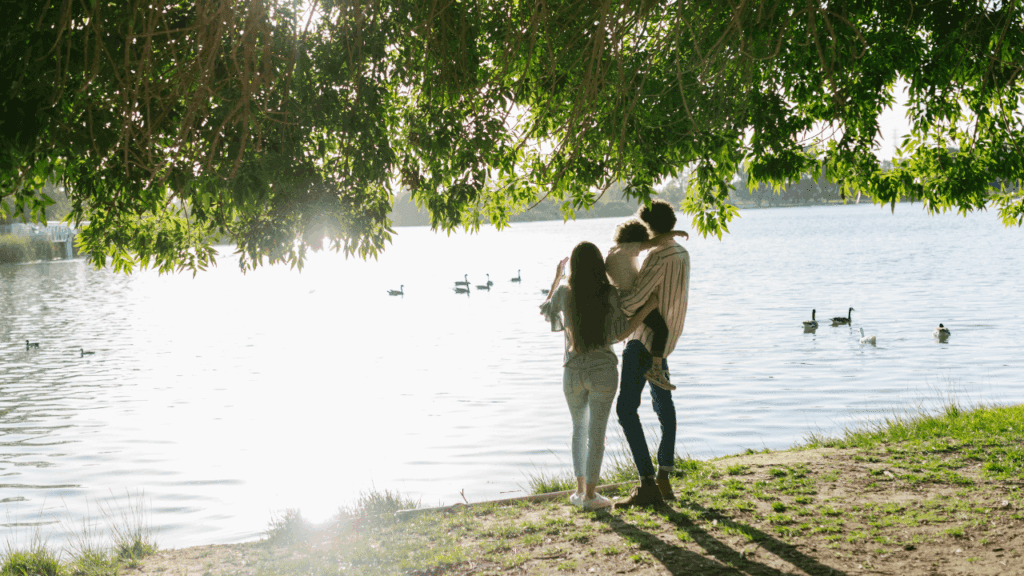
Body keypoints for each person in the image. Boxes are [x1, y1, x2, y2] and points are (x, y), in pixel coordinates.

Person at [540, 242, 660, 511]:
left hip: (572, 371)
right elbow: (620, 333)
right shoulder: (609, 294)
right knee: (596, 434)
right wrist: (648, 307)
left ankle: (580, 491)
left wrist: (557, 277)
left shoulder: (564, 292)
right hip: (602, 369)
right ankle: (591, 496)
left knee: (578, 430)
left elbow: (547, 309)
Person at [614, 199, 691, 508]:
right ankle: (663, 477)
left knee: (625, 410)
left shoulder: (658, 257)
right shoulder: (682, 254)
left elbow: (633, 302)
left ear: (648, 226)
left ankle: (647, 483)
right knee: (664, 407)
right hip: (665, 341)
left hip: (640, 342)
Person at [605, 218, 688, 391]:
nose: (645, 248)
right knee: (661, 329)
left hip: (622, 301)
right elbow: (653, 242)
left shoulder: (614, 252)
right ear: (637, 240)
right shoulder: (627, 249)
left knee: (650, 327)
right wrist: (673, 234)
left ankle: (655, 368)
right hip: (633, 301)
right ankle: (656, 369)